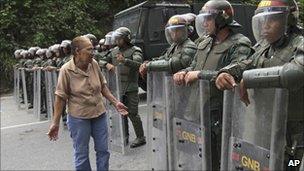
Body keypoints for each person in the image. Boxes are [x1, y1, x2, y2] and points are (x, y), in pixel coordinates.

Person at [215, 0, 303, 170]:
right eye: (263, 20)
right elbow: (246, 63)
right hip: (265, 128)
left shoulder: (300, 43)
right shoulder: (263, 47)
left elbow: (294, 73)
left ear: (288, 20)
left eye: (272, 20)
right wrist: (226, 72)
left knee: (292, 167)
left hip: (294, 137)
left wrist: (248, 78)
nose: (265, 25)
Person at [173, 0, 253, 168]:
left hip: (221, 116)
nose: (204, 22)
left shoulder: (240, 43)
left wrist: (199, 75)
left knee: (222, 160)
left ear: (222, 19)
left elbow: (235, 74)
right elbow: (194, 66)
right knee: (203, 158)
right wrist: (185, 72)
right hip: (199, 111)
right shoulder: (204, 42)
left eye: (209, 18)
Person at [47, 36, 128, 171]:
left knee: (103, 151)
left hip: (99, 115)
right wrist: (55, 123)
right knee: (82, 155)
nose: (93, 52)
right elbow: (60, 97)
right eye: (89, 49)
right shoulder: (66, 70)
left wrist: (116, 102)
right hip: (79, 118)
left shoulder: (94, 64)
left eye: (93, 49)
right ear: (77, 51)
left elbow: (102, 87)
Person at [99, 27, 146, 148]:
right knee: (121, 112)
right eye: (116, 38)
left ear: (126, 38)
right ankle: (124, 136)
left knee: (133, 114)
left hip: (131, 86)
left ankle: (141, 137)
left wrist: (125, 61)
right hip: (118, 86)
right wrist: (107, 64)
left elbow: (139, 65)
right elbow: (100, 60)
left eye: (119, 38)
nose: (117, 41)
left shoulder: (135, 50)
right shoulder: (114, 51)